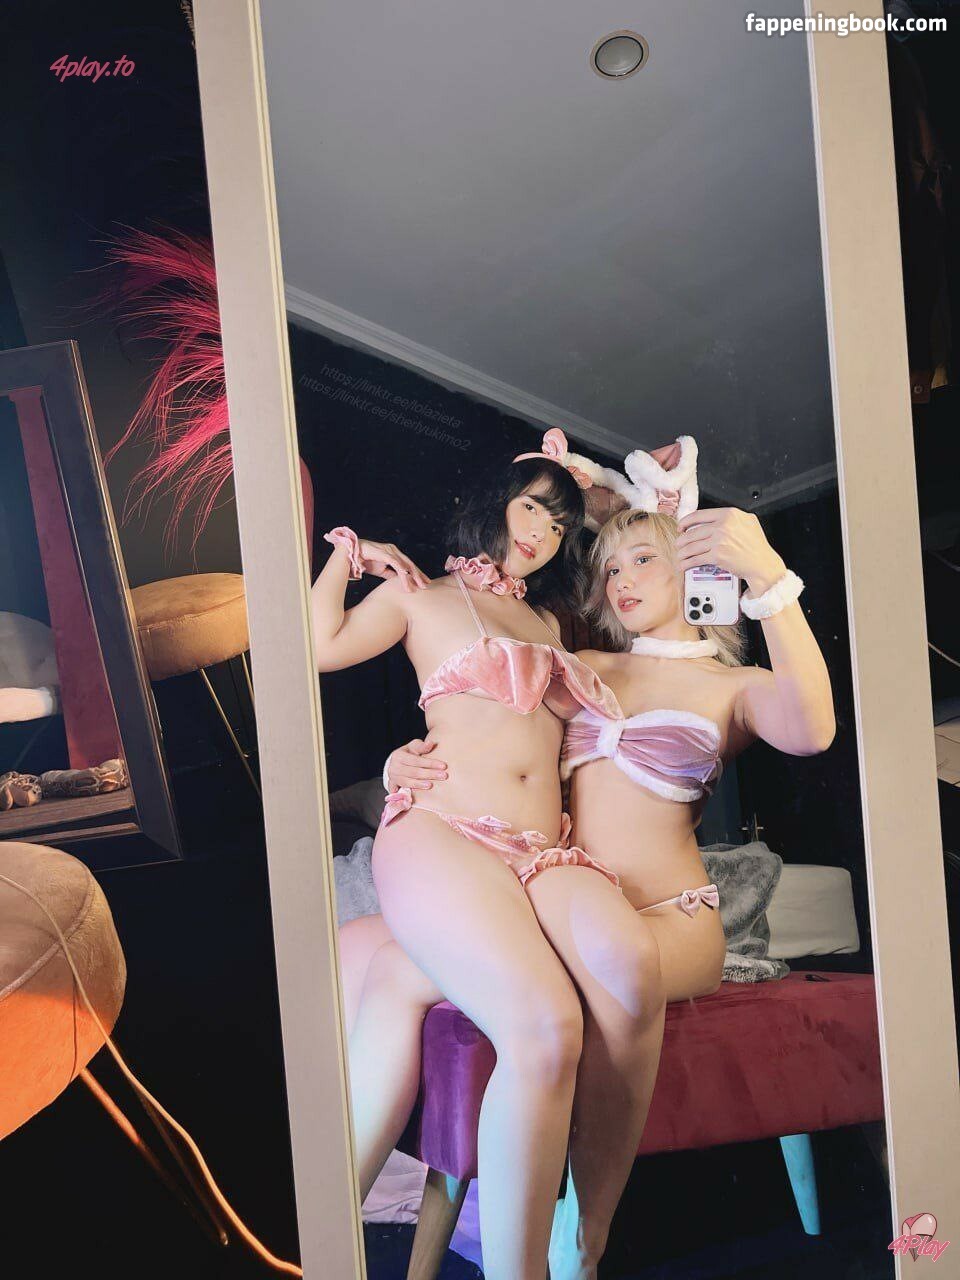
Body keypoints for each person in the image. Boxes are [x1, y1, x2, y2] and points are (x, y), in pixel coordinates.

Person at [368, 458, 836, 1279]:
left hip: (670, 917)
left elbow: (811, 731)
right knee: (392, 957)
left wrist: (768, 581)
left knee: (616, 958)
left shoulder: (734, 687)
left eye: (644, 560)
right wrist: (403, 762)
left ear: (693, 569)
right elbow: (489, 728)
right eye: (609, 567)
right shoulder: (584, 666)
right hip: (564, 892)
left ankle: (588, 1232)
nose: (621, 580)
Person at [314, 429, 631, 1280]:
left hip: (532, 860)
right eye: (532, 507)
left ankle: (316, 1238)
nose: (542, 533)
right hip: (445, 833)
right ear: (494, 500)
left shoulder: (550, 622)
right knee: (548, 1026)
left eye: (559, 525)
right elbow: (316, 647)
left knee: (401, 983)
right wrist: (347, 559)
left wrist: (609, 495)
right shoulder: (419, 594)